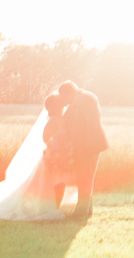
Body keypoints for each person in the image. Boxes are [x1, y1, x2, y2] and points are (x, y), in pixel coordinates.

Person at [40, 80, 108, 219]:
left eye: (64, 98)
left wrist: (87, 147)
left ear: (69, 92)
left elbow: (92, 124)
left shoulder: (88, 99)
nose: (63, 102)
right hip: (80, 147)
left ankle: (81, 212)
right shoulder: (75, 103)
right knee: (85, 178)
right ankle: (86, 210)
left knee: (85, 177)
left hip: (90, 146)